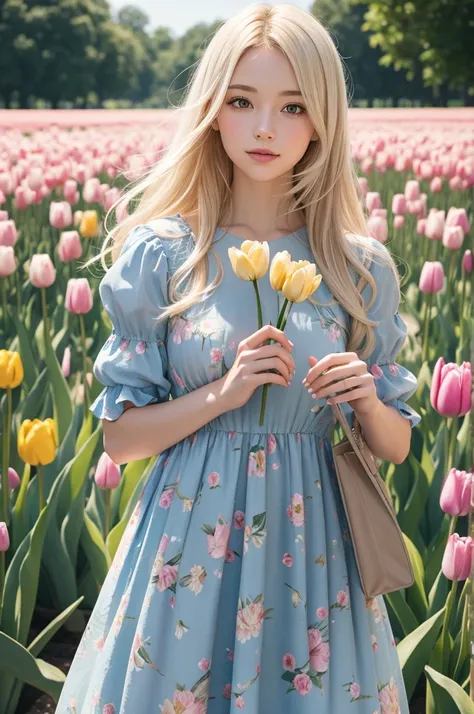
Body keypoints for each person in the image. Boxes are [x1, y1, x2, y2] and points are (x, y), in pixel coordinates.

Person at [55, 3, 421, 713]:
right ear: (212, 110)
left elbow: (398, 446)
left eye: (292, 107)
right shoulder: (164, 253)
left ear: (321, 120)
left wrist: (367, 400)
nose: (264, 128)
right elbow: (121, 440)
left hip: (316, 548)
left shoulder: (356, 265)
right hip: (189, 539)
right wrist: (222, 394)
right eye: (242, 101)